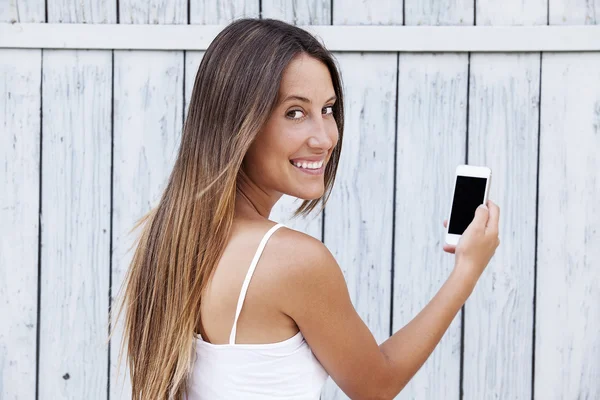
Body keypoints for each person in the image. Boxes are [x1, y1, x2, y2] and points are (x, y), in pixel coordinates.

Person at [109, 17, 501, 400]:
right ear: (238, 123)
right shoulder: (291, 260)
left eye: (327, 109)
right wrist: (466, 271)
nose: (325, 137)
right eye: (295, 113)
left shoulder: (170, 237)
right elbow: (376, 386)